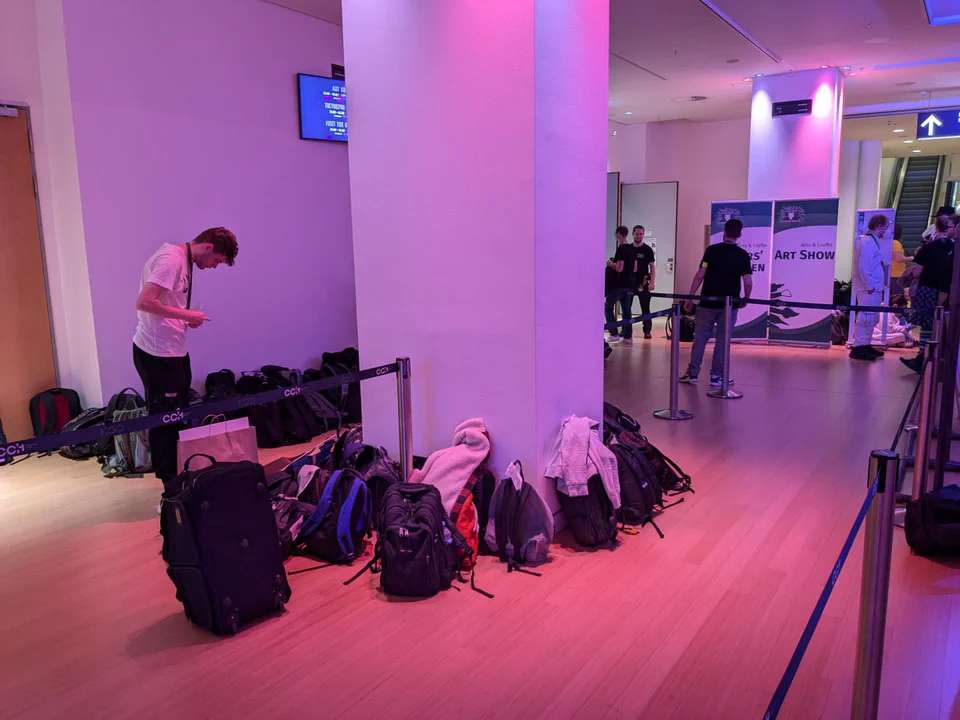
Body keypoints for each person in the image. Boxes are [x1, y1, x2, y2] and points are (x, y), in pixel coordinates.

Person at [133, 227, 238, 481]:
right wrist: (187, 315)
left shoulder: (183, 260)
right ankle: (170, 489)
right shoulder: (171, 259)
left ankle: (180, 483)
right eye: (217, 262)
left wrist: (183, 320)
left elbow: (165, 304)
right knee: (166, 423)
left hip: (174, 351)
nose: (213, 267)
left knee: (178, 419)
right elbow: (145, 302)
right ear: (208, 247)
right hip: (158, 355)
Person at [679, 218, 753, 386]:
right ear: (739, 235)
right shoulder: (742, 255)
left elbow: (700, 274)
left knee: (700, 339)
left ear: (724, 232)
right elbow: (748, 281)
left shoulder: (711, 251)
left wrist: (690, 297)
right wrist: (745, 299)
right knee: (722, 341)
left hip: (707, 303)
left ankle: (693, 373)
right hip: (729, 305)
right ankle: (717, 377)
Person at [902, 214, 956, 373]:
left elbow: (918, 271)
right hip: (945, 290)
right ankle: (932, 358)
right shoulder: (953, 248)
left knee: (926, 324)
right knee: (938, 325)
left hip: (927, 288)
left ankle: (922, 358)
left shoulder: (929, 247)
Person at [850, 214, 888, 361]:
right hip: (868, 288)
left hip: (873, 287)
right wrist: (869, 285)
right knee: (865, 316)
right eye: (885, 226)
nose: (886, 230)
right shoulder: (866, 242)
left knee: (872, 316)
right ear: (879, 226)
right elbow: (864, 266)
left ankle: (865, 344)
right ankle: (859, 347)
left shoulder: (872, 241)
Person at [605, 226, 635, 343]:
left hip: (619, 285)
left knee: (608, 307)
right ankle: (628, 336)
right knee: (627, 310)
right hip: (629, 284)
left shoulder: (621, 249)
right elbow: (635, 267)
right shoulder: (633, 249)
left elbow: (619, 268)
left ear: (618, 234)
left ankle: (614, 333)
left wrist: (610, 263)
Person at [630, 225, 657, 340]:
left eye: (641, 234)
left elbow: (652, 266)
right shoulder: (627, 249)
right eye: (637, 234)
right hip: (629, 283)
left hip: (644, 282)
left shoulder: (647, 250)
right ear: (633, 234)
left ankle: (647, 331)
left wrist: (652, 282)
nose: (639, 236)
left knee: (645, 308)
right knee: (627, 308)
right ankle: (626, 332)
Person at [890, 223, 912, 297]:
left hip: (891, 274)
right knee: (898, 299)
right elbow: (898, 258)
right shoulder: (896, 243)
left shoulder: (889, 242)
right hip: (896, 275)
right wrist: (911, 258)